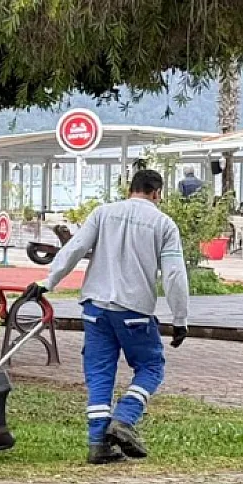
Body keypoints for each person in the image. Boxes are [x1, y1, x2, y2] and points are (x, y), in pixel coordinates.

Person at [25, 169, 190, 465]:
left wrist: (48, 282)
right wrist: (180, 319)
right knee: (151, 367)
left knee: (100, 372)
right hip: (135, 311)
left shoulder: (103, 213)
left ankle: (97, 443)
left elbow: (75, 248)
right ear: (157, 193)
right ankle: (124, 418)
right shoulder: (164, 224)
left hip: (95, 309)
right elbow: (174, 275)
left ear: (130, 189)